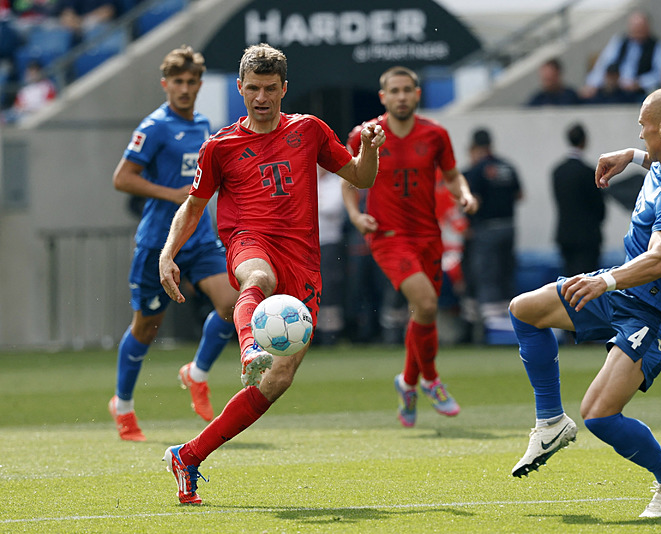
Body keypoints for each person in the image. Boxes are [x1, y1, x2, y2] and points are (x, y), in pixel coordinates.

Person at [158, 43, 384, 504]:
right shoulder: (220, 146)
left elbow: (361, 178)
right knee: (254, 279)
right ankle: (248, 350)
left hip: (303, 262)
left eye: (270, 89)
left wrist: (371, 151)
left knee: (278, 381)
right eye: (253, 88)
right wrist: (168, 253)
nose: (261, 97)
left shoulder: (310, 131)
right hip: (249, 240)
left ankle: (188, 455)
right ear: (240, 88)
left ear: (284, 88)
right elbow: (193, 206)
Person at [508, 87, 661, 518]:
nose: (638, 134)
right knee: (524, 310)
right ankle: (550, 423)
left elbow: (659, 260)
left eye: (642, 126)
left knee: (599, 416)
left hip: (654, 311)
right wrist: (631, 157)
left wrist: (605, 281)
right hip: (623, 291)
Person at [108, 46, 238, 441]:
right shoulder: (155, 126)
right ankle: (124, 406)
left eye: (191, 81)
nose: (184, 88)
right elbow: (122, 178)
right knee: (146, 328)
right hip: (156, 243)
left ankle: (196, 374)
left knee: (231, 304)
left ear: (200, 84)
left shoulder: (203, 125)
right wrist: (173, 194)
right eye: (177, 82)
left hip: (198, 237)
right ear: (166, 85)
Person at [342, 66, 478, 427]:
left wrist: (463, 194)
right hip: (388, 236)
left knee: (424, 313)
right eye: (394, 91)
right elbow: (349, 179)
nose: (401, 96)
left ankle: (407, 382)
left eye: (407, 90)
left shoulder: (435, 134)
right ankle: (431, 379)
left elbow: (451, 175)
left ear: (417, 94)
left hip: (427, 235)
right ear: (383, 97)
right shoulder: (366, 133)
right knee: (427, 303)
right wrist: (356, 217)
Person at [462, 127, 523, 338]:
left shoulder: (477, 170)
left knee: (487, 277)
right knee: (506, 275)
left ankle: (491, 331)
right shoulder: (507, 165)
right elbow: (520, 195)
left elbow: (473, 202)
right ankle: (510, 327)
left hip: (486, 229)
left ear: (475, 147)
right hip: (509, 227)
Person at [551, 123, 606, 277]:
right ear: (584, 141)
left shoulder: (557, 171)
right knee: (587, 280)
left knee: (569, 280)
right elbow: (599, 207)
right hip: (587, 236)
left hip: (565, 234)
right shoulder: (588, 172)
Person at [581, 11, 661, 101]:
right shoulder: (619, 42)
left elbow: (660, 74)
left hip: (639, 92)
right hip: (616, 89)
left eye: (640, 29)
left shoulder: (657, 46)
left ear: (647, 28)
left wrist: (640, 83)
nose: (638, 33)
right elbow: (603, 64)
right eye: (635, 29)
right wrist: (592, 84)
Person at [315, 166, 347, 345]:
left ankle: (330, 334)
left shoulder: (335, 182)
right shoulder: (305, 180)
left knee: (329, 288)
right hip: (308, 244)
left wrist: (310, 203)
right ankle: (313, 332)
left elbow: (332, 208)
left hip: (329, 242)